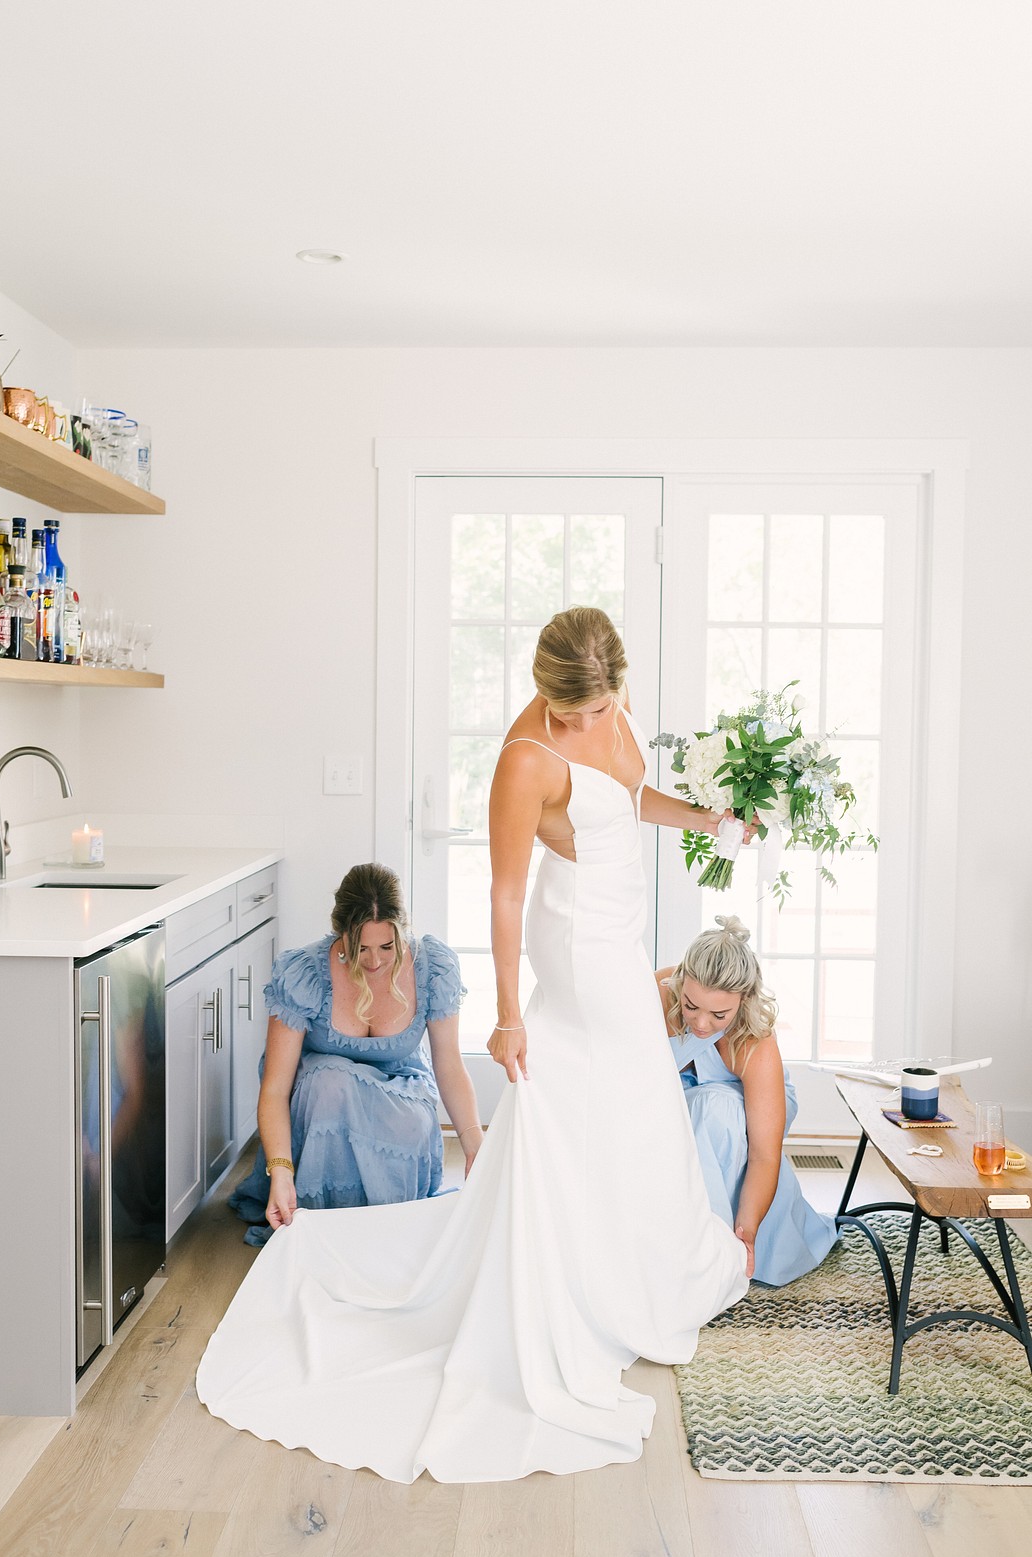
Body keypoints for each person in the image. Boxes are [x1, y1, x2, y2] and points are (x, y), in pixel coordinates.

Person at [197, 606, 748, 1483]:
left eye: (600, 711)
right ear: (543, 693)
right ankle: (576, 1287)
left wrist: (709, 821)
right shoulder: (526, 760)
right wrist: (508, 1012)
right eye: (571, 713)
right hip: (573, 947)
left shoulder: (611, 696)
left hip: (622, 927)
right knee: (597, 1089)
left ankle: (623, 1264)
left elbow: (631, 796)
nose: (587, 726)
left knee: (629, 1100)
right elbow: (502, 894)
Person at [229, 862, 482, 1245]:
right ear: (340, 932)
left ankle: (386, 1225)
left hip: (399, 1091)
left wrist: (474, 1145)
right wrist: (280, 1171)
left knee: (412, 1121)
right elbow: (276, 1088)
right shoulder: (305, 974)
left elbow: (448, 1065)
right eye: (360, 948)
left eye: (387, 946)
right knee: (332, 1081)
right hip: (321, 1106)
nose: (375, 961)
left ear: (402, 932)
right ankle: (325, 1225)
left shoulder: (433, 967)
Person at [658, 915, 837, 1286]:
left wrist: (748, 1230)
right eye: (691, 1006)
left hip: (744, 1117)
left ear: (744, 1000)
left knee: (714, 1111)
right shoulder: (658, 992)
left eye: (718, 1014)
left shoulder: (755, 1040)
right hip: (674, 1097)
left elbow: (763, 1155)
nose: (701, 1024)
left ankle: (709, 1259)